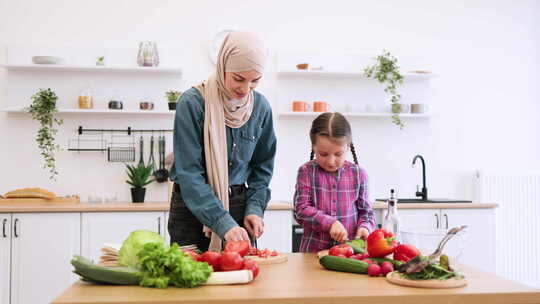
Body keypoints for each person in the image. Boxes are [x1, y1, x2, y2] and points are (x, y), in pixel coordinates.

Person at [168, 31, 276, 252]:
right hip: (190, 210)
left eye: (255, 81)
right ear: (222, 65)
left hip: (238, 207)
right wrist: (222, 222)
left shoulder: (261, 108)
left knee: (239, 282)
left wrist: (254, 209)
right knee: (188, 282)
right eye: (238, 78)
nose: (245, 89)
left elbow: (262, 169)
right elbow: (189, 173)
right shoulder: (193, 103)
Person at [293, 112, 376, 253]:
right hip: (313, 253)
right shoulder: (306, 171)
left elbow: (366, 212)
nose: (331, 161)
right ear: (314, 147)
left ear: (348, 147)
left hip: (350, 254)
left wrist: (365, 227)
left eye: (338, 154)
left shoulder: (359, 174)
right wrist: (330, 223)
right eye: (323, 154)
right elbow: (301, 210)